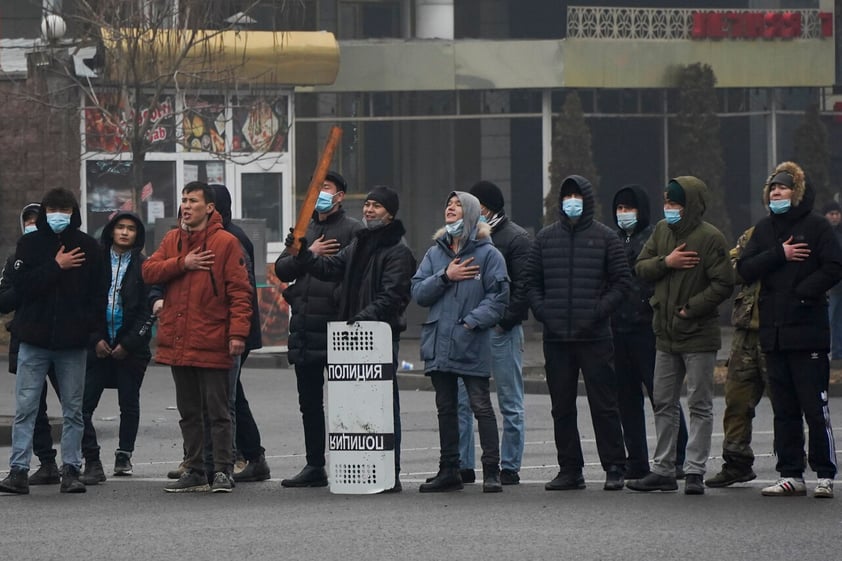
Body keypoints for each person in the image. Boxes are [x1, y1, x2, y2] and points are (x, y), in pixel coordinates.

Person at [286, 185, 416, 493]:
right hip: (354, 335)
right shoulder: (360, 243)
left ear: (391, 213)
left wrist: (363, 318)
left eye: (377, 206)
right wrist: (303, 253)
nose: (369, 210)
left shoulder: (398, 250)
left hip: (378, 337)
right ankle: (362, 468)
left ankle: (389, 471)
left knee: (383, 406)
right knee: (355, 405)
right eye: (368, 204)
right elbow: (329, 268)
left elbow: (393, 295)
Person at [737, 162, 842, 498]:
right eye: (773, 189)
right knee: (784, 411)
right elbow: (745, 269)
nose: (776, 193)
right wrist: (778, 254)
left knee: (815, 407)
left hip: (807, 331)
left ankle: (825, 474)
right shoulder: (764, 230)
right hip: (774, 334)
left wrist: (802, 293)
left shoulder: (817, 227)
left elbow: (834, 266)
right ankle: (791, 474)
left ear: (795, 192)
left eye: (782, 188)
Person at [142, 181, 253, 493]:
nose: (186, 206)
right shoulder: (172, 239)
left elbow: (240, 294)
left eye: (193, 201)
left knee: (218, 412)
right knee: (189, 412)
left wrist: (237, 334)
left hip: (214, 339)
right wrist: (183, 263)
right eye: (184, 200)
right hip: (180, 340)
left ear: (209, 207)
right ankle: (194, 468)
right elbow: (149, 271)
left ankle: (222, 470)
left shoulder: (226, 243)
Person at [628, 176, 734, 496]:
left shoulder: (710, 238)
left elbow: (724, 283)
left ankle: (694, 471)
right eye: (667, 202)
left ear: (690, 205)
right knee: (663, 401)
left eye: (675, 203)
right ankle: (662, 468)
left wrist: (693, 308)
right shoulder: (661, 231)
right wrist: (667, 261)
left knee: (699, 404)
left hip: (698, 334)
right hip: (665, 333)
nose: (669, 208)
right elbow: (641, 267)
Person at [526, 175, 631, 492]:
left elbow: (622, 283)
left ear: (587, 200)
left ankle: (614, 467)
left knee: (604, 404)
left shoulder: (606, 238)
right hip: (557, 339)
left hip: (595, 337)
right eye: (566, 196)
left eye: (577, 196)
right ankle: (569, 469)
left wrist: (596, 313)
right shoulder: (545, 239)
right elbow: (531, 284)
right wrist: (546, 314)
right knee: (562, 406)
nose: (571, 201)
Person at [0, 188, 107, 495]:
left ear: (74, 212)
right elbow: (22, 287)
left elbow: (98, 293)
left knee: (73, 409)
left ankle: (71, 470)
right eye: (53, 209)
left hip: (72, 343)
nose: (58, 215)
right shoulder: (30, 244)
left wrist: (90, 330)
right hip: (34, 339)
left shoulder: (88, 247)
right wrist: (56, 266)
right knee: (26, 408)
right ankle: (18, 470)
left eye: (64, 209)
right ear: (44, 212)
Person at [412, 191, 509, 493]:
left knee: (481, 406)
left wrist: (471, 322)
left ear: (469, 213)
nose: (450, 208)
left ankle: (492, 470)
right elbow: (418, 292)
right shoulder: (435, 253)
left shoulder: (488, 254)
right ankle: (449, 469)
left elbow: (499, 297)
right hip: (440, 340)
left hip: (471, 341)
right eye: (447, 204)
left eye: (457, 205)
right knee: (446, 407)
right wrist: (446, 275)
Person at [274, 171, 363, 488]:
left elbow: (357, 273)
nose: (319, 194)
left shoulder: (353, 230)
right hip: (304, 324)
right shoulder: (304, 228)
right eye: (316, 189)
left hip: (338, 326)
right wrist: (307, 254)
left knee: (347, 401)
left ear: (340, 196)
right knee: (309, 401)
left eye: (325, 189)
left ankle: (353, 463)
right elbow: (282, 269)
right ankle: (315, 465)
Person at [610, 185, 689, 480]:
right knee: (626, 399)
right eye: (619, 208)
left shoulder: (655, 238)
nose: (623, 213)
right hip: (618, 328)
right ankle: (637, 460)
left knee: (662, 396)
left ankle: (677, 456)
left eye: (628, 208)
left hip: (648, 328)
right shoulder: (613, 239)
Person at [455, 181, 531, 485]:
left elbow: (522, 288)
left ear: (487, 208)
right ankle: (464, 463)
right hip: (471, 330)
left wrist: (504, 322)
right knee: (463, 401)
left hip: (502, 331)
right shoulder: (464, 237)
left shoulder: (516, 239)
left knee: (509, 401)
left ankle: (509, 466)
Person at [78, 211, 159, 485]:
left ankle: (124, 454)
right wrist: (95, 338)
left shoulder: (144, 265)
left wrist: (128, 343)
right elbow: (86, 304)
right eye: (120, 227)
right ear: (111, 230)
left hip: (130, 349)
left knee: (129, 402)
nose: (125, 232)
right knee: (82, 406)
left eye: (131, 229)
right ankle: (90, 455)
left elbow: (148, 310)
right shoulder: (96, 263)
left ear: (138, 235)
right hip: (98, 345)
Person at [209, 184, 270, 483]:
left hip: (235, 330)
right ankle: (250, 455)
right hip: (229, 329)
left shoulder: (232, 238)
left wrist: (238, 332)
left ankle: (236, 457)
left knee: (227, 397)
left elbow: (240, 291)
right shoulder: (221, 233)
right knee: (232, 395)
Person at [0, 203, 63, 486]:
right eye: (28, 221)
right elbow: (4, 301)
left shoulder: (66, 257)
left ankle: (84, 461)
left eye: (37, 221)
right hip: (26, 339)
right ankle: (45, 462)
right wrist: (29, 284)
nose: (32, 226)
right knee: (31, 406)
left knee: (74, 404)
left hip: (61, 340)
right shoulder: (16, 260)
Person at [704, 226, 767, 488]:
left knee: (788, 404)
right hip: (745, 330)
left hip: (780, 327)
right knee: (736, 397)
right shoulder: (753, 234)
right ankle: (736, 462)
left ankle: (792, 465)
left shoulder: (803, 232)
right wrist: (761, 261)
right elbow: (728, 269)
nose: (776, 195)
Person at [822, 201, 842, 359]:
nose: (835, 217)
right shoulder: (823, 234)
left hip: (838, 284)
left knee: (837, 320)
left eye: (837, 214)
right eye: (831, 214)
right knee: (830, 319)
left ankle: (837, 352)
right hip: (831, 284)